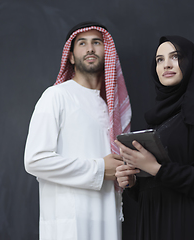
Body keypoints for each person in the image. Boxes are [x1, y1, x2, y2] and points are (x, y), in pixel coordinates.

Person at [115, 36, 194, 240]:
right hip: (154, 222)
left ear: (190, 63)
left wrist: (157, 168)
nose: (166, 64)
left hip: (186, 224)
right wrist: (133, 182)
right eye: (160, 59)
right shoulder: (156, 120)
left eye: (175, 57)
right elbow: (154, 187)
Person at [24, 22, 131, 240]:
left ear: (107, 51)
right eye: (82, 43)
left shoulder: (111, 110)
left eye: (96, 42)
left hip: (107, 221)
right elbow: (34, 160)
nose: (90, 48)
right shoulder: (56, 96)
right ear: (71, 56)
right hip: (70, 224)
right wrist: (100, 168)